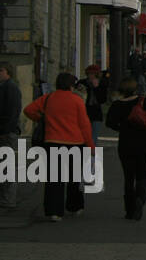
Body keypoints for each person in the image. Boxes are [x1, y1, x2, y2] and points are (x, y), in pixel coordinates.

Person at [23, 72, 94, 221]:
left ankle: (53, 211)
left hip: (53, 141)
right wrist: (90, 146)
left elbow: (28, 110)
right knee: (74, 178)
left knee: (54, 178)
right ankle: (75, 206)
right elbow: (84, 125)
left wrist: (42, 118)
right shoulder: (77, 100)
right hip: (75, 143)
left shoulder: (48, 98)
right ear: (71, 85)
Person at [107, 79, 146, 220]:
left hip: (125, 144)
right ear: (135, 89)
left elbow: (109, 123)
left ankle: (129, 210)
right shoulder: (143, 102)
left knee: (128, 177)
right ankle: (140, 198)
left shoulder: (117, 105)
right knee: (141, 174)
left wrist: (122, 128)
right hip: (143, 143)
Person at [0, 62, 22, 210]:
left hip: (7, 132)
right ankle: (5, 198)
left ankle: (8, 200)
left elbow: (13, 112)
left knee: (7, 166)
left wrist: (6, 131)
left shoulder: (11, 88)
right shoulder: (4, 87)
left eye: (1, 70)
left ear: (8, 72)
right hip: (4, 131)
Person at [78, 65, 109, 146]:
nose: (91, 76)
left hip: (96, 113)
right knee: (82, 136)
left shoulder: (102, 84)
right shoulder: (82, 83)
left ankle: (91, 155)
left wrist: (96, 88)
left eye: (93, 74)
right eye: (89, 74)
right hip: (84, 111)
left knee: (93, 137)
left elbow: (102, 99)